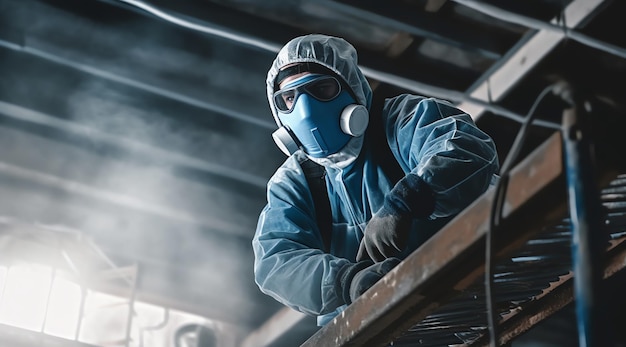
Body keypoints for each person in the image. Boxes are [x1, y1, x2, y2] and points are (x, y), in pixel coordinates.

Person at [252, 34, 499, 326]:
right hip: (379, 329)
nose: (306, 112)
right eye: (289, 99)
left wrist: (406, 200)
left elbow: (464, 148)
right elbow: (276, 261)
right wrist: (348, 281)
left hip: (470, 290)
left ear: (352, 89)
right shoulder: (294, 182)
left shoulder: (402, 120)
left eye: (321, 89)